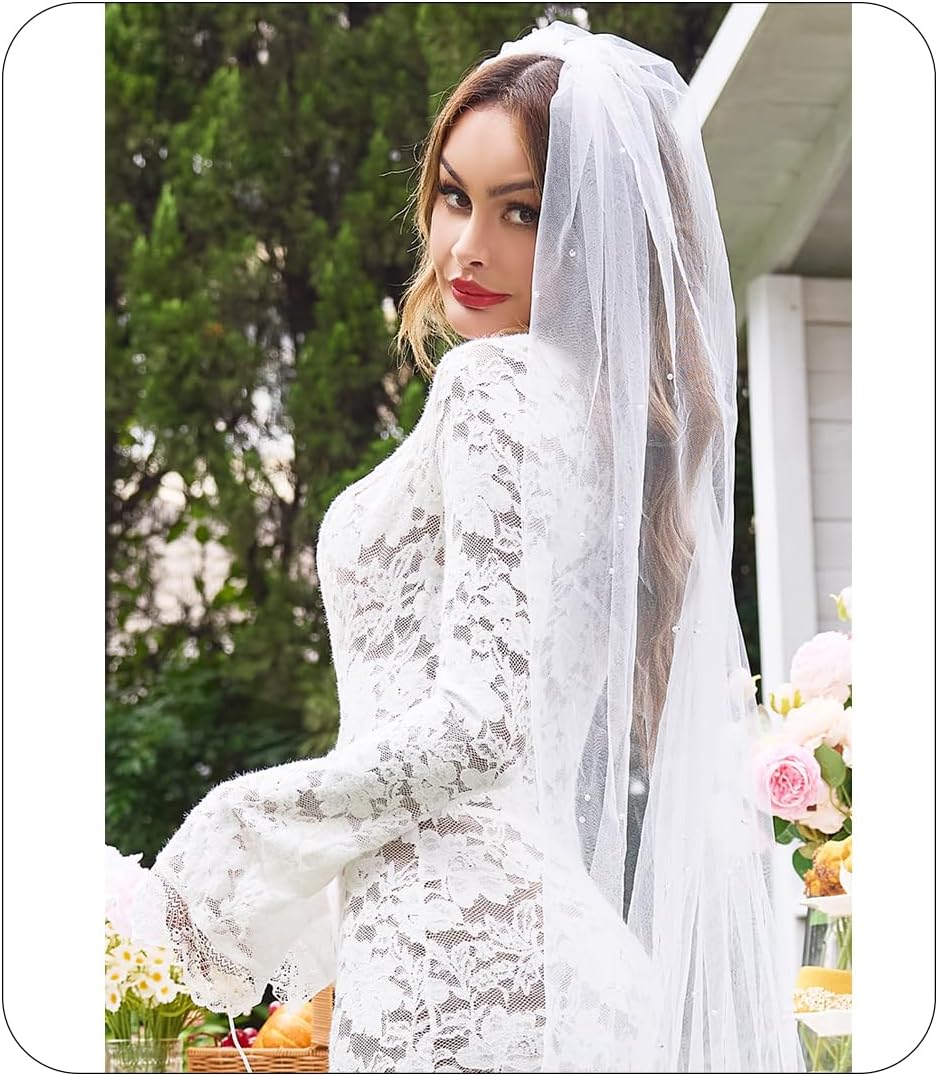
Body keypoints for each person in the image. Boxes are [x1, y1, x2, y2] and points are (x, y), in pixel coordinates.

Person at [133, 21, 803, 1073]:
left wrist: (245, 821)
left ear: (591, 230)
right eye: (454, 197)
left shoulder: (493, 385)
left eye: (520, 211)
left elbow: (480, 725)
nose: (467, 248)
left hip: (461, 969)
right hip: (514, 958)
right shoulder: (591, 416)